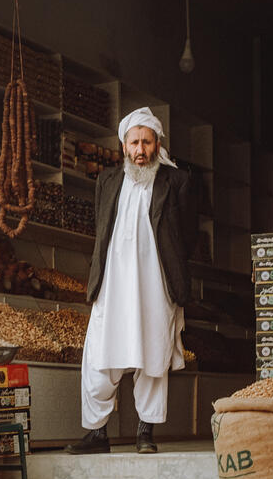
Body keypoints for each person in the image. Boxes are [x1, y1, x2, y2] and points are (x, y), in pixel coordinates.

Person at [65, 107, 197, 455]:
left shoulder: (177, 181)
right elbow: (101, 227)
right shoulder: (107, 181)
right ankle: (96, 433)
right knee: (98, 356)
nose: (141, 150)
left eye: (147, 142)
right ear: (124, 146)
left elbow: (188, 235)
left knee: (152, 355)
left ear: (157, 144)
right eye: (134, 142)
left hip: (156, 284)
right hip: (112, 283)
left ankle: (145, 432)